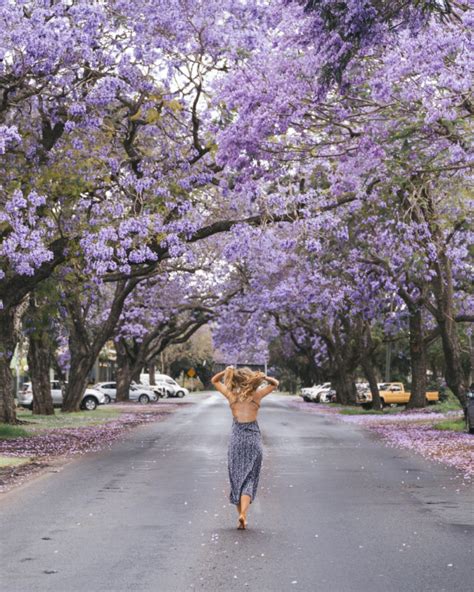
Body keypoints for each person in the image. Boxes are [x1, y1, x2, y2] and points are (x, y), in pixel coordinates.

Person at [211, 366, 279, 530]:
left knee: (237, 477)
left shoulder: (231, 396)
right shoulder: (256, 396)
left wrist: (227, 371)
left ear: (236, 380)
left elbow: (214, 380)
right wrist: (264, 377)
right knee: (250, 477)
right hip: (253, 439)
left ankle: (242, 516)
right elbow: (275, 384)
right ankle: (244, 515)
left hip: (237, 440)